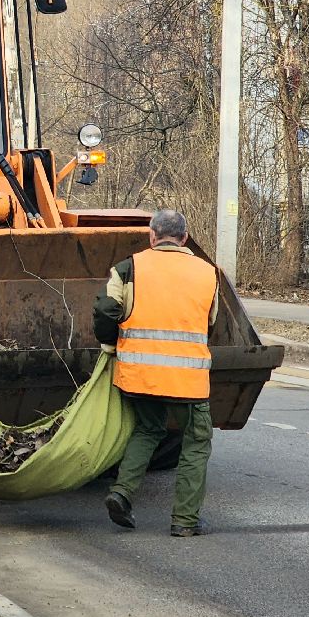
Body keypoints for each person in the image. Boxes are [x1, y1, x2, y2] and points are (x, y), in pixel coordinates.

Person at [94, 209, 219, 537]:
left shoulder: (128, 268)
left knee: (148, 429)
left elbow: (105, 309)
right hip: (188, 381)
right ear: (185, 237)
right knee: (195, 441)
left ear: (152, 236)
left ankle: (121, 494)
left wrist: (110, 344)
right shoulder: (208, 273)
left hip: (139, 375)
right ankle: (185, 521)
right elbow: (211, 322)